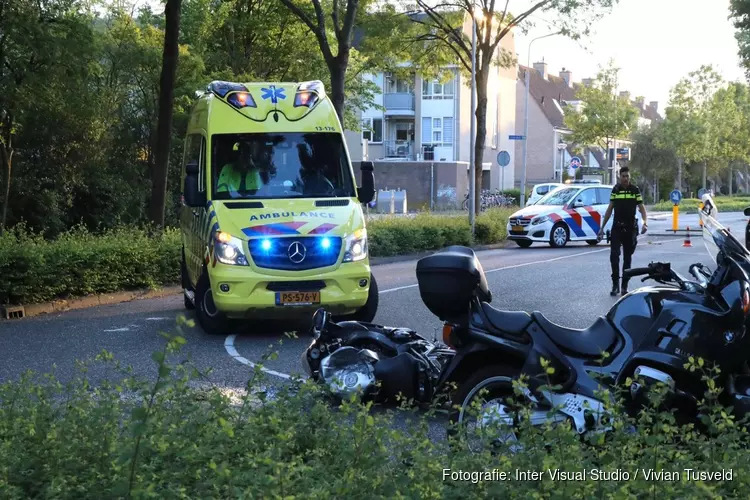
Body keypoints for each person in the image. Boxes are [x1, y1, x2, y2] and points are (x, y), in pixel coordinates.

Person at [597, 167, 648, 296]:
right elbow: (610, 209)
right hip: (617, 227)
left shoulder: (634, 190)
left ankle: (624, 285)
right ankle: (615, 285)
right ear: (620, 177)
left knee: (627, 258)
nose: (626, 178)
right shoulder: (616, 190)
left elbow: (642, 208)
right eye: (623, 176)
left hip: (630, 228)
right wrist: (602, 228)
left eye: (627, 176)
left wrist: (645, 223)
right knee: (614, 256)